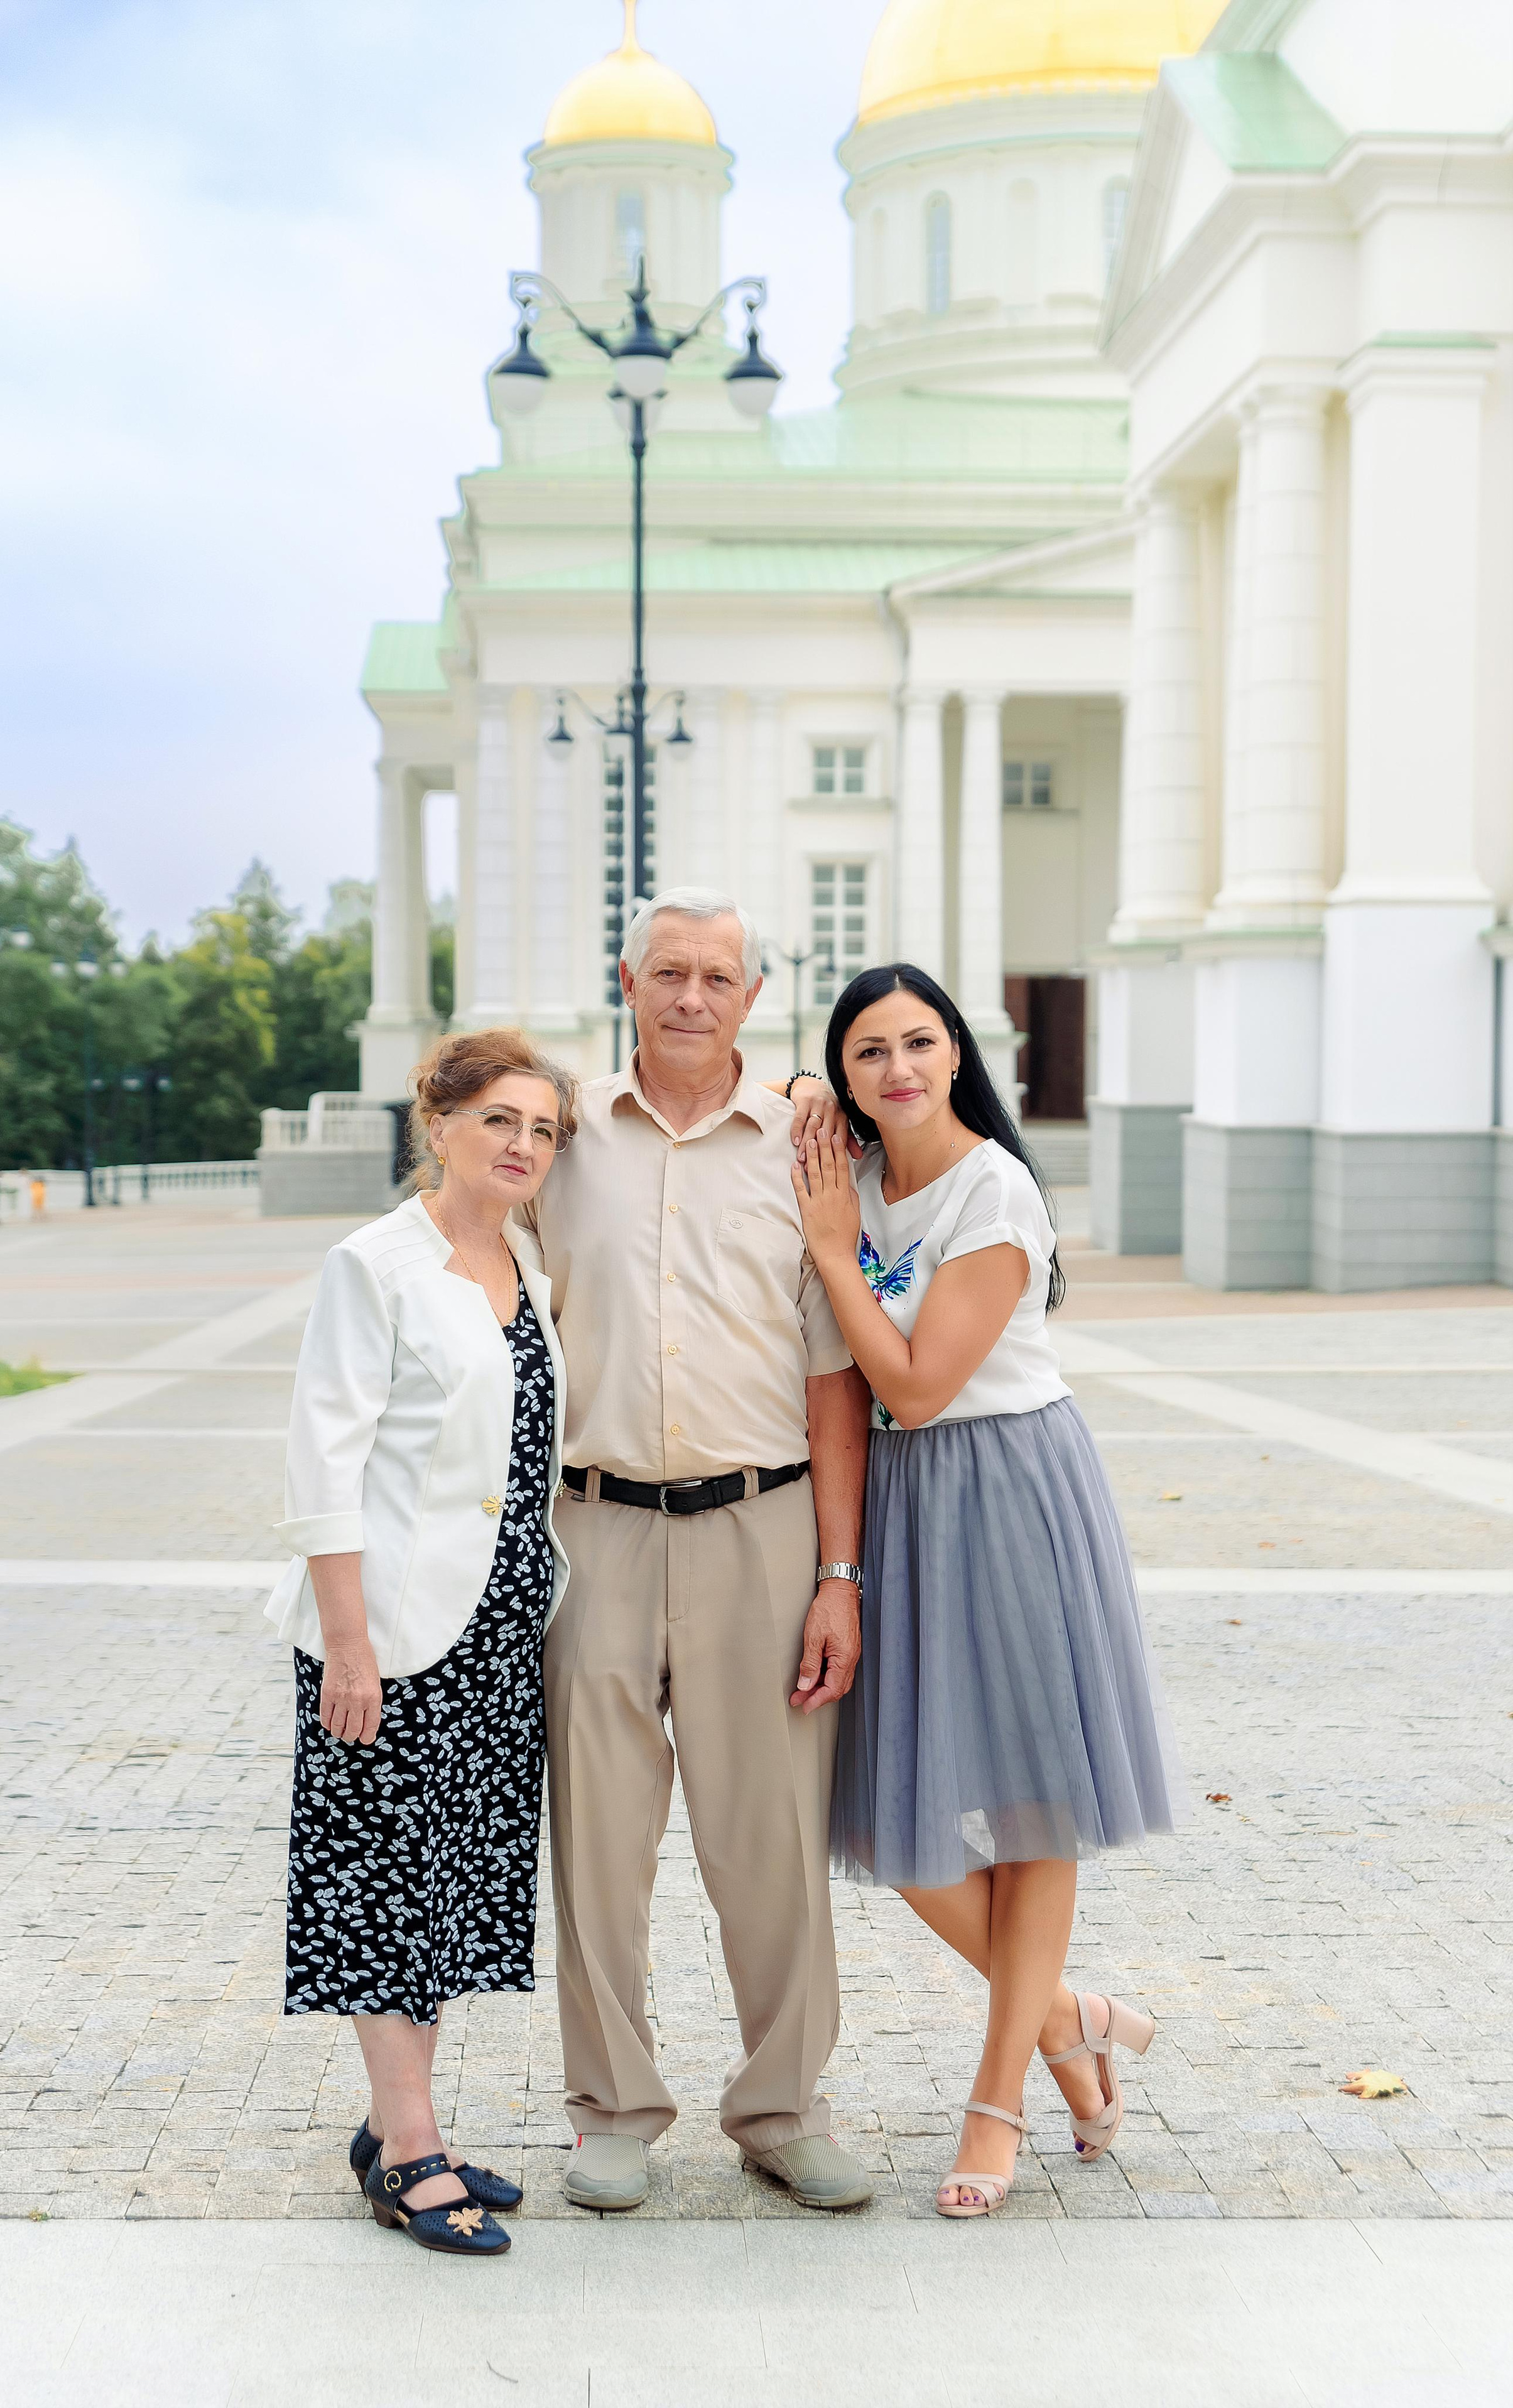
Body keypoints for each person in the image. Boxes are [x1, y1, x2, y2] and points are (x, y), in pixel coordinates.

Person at [789, 963, 1184, 2219]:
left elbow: (911, 1385)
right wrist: (837, 1567)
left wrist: (824, 1251)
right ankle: (1073, 2021)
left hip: (1009, 1493)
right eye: (865, 1052)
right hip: (906, 1514)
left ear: (955, 1053)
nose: (895, 1068)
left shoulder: (994, 1190)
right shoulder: (848, 1183)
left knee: (1028, 1810)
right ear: (844, 1074)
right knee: (897, 1821)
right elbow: (842, 1397)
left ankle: (997, 2100)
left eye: (916, 1042)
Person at [526, 886, 876, 2213]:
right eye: (665, 971)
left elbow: (835, 1380)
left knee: (770, 1836)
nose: (688, 995)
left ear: (751, 995)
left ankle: (782, 2107)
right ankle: (610, 2109)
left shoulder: (804, 1146)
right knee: (599, 1842)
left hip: (763, 1526)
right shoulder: (562, 1142)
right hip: (594, 1526)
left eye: (714, 976)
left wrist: (837, 1575)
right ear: (625, 981)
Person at [263, 1028, 578, 2257]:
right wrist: (347, 1645)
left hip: (499, 1628)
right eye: (500, 1120)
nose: (522, 1146)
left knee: (443, 1894)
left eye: (542, 1130)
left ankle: (409, 2124)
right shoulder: (373, 1265)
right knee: (387, 1899)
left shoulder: (521, 1263)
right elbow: (321, 1459)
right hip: (387, 1635)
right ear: (437, 1125)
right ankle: (407, 2154)